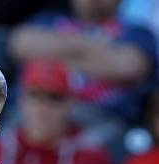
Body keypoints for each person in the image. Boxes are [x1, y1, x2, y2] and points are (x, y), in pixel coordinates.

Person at [9, 0, 157, 140]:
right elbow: (20, 45)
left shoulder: (137, 32)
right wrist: (97, 51)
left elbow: (127, 67)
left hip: (103, 120)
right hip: (38, 109)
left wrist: (56, 54)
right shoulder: (48, 19)